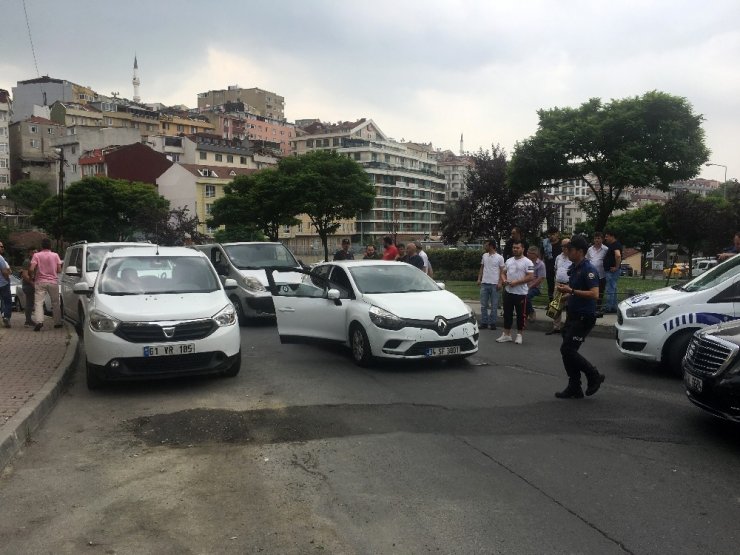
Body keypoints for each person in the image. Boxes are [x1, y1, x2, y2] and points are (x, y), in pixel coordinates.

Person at [554, 235, 605, 399]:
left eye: (571, 249)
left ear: (580, 251)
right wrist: (564, 297)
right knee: (568, 352)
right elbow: (575, 291)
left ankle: (593, 375)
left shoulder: (588, 269)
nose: (567, 252)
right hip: (573, 315)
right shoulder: (575, 268)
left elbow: (594, 294)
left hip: (584, 317)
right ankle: (574, 386)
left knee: (567, 349)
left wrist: (571, 291)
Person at [496, 240, 534, 345]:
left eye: (517, 248)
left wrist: (517, 282)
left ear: (523, 249)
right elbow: (503, 273)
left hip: (521, 293)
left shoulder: (528, 262)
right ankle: (506, 334)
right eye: (514, 248)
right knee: (507, 314)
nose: (515, 249)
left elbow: (530, 276)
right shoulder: (509, 261)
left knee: (521, 315)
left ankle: (519, 335)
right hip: (508, 292)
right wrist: (504, 280)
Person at [29, 238, 63, 331]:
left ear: (41, 246)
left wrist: (32, 277)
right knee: (55, 302)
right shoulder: (55, 255)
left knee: (39, 302)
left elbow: (31, 269)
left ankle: (39, 321)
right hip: (53, 282)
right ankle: (57, 323)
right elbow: (59, 270)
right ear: (50, 246)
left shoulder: (36, 255)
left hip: (40, 281)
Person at [477, 239, 505, 330]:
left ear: (491, 246)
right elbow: (482, 268)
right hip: (484, 283)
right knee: (483, 305)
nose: (485, 246)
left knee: (494, 305)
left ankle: (493, 323)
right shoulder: (484, 255)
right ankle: (484, 322)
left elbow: (502, 271)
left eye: (486, 245)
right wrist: (479, 279)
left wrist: (500, 282)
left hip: (494, 284)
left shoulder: (499, 257)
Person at [547, 239, 572, 335]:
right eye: (562, 246)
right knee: (556, 306)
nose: (564, 248)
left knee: (569, 306)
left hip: (569, 284)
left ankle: (568, 327)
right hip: (558, 284)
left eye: (566, 246)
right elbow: (556, 269)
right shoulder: (558, 257)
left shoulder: (572, 257)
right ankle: (556, 327)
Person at [586, 232, 608, 317]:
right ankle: (591, 308)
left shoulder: (606, 249)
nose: (597, 240)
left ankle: (598, 309)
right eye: (595, 238)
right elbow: (587, 259)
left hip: (601, 275)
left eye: (599, 238)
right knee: (591, 291)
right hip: (591, 275)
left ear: (602, 239)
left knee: (600, 292)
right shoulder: (590, 249)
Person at [602, 229, 622, 313]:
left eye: (607, 236)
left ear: (612, 236)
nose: (605, 238)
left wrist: (616, 267)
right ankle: (614, 307)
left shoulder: (615, 245)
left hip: (612, 271)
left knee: (610, 289)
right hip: (611, 271)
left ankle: (608, 307)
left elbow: (618, 255)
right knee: (613, 288)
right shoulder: (613, 245)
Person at [524, 246, 546, 321]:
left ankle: (531, 312)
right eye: (527, 252)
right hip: (525, 285)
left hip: (536, 287)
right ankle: (525, 313)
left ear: (535, 254)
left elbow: (540, 278)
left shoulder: (541, 264)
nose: (527, 254)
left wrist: (530, 286)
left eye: (529, 253)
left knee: (526, 296)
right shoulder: (528, 263)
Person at [543, 227, 561, 302]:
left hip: (559, 268)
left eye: (553, 234)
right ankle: (551, 302)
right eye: (550, 234)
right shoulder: (545, 244)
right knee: (550, 285)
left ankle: (559, 301)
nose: (551, 236)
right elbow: (541, 254)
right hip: (549, 267)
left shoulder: (561, 244)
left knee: (559, 285)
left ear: (557, 234)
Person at [21, 247, 37, 326]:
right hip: (28, 285)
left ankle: (28, 320)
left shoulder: (34, 261)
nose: (36, 253)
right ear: (30, 253)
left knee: (30, 303)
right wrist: (32, 283)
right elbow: (25, 275)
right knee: (29, 303)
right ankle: (28, 321)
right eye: (34, 252)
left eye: (36, 252)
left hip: (30, 284)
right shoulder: (27, 261)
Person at [0, 241, 11, 328]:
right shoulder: (0, 258)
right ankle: (6, 317)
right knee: (7, 301)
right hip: (3, 284)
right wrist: (7, 279)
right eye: (1, 246)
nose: (2, 248)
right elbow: (4, 271)